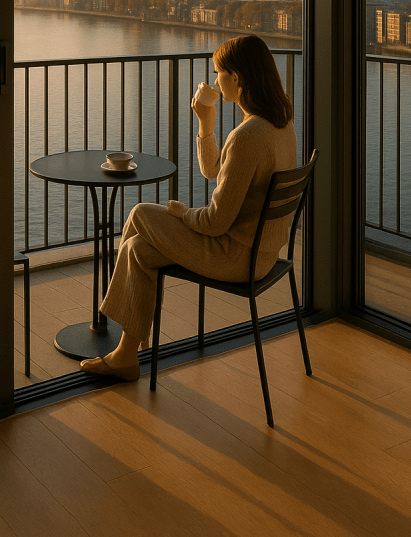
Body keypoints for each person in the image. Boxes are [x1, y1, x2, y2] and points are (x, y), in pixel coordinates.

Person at [80, 34, 297, 382]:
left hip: (236, 257)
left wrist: (182, 214)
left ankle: (117, 334)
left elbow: (214, 222)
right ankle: (125, 354)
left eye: (218, 73)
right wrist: (206, 124)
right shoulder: (281, 125)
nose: (215, 82)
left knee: (138, 214)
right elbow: (213, 172)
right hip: (264, 254)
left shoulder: (246, 138)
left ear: (236, 78)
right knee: (139, 249)